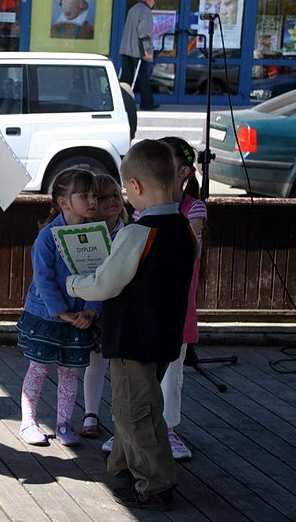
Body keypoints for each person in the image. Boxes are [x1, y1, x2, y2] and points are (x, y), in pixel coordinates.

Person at [66, 140, 196, 511]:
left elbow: (107, 283)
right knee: (136, 402)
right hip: (164, 337)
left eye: (126, 189)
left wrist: (73, 283)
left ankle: (155, 484)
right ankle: (122, 465)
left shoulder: (138, 233)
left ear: (135, 187)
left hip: (132, 339)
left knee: (135, 411)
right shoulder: (186, 230)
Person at [16, 168, 102, 447]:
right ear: (63, 202)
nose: (92, 201)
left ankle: (64, 423)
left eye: (94, 195)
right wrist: (61, 312)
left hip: (79, 317)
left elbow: (100, 275)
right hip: (47, 316)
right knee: (38, 368)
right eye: (84, 195)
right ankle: (28, 421)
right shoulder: (47, 237)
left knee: (69, 372)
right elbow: (43, 279)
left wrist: (91, 309)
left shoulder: (97, 235)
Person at [158, 137, 206, 460]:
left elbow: (188, 251)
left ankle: (169, 429)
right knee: (140, 369)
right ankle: (130, 428)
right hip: (145, 304)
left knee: (173, 371)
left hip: (176, 304)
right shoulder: (142, 207)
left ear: (184, 171)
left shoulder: (194, 209)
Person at [80, 173, 128, 439]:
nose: (111, 201)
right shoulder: (82, 233)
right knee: (95, 362)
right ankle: (90, 412)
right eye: (102, 197)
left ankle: (120, 415)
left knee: (121, 364)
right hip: (92, 305)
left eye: (116, 195)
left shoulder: (130, 231)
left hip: (120, 306)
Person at [119, 0, 158, 110]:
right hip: (138, 50)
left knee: (126, 77)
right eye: (153, 0)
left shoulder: (133, 9)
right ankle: (147, 103)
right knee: (143, 77)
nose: (154, 3)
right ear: (148, 0)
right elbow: (144, 33)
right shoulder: (145, 11)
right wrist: (148, 50)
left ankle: (121, 102)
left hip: (126, 48)